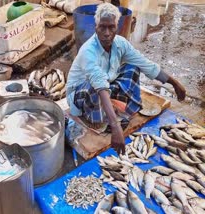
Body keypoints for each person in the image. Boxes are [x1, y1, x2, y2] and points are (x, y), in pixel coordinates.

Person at [66, 3, 186, 154]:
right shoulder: (88, 51)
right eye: (102, 27)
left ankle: (112, 109)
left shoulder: (120, 43)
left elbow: (145, 64)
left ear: (117, 26)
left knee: (132, 67)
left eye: (111, 27)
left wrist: (174, 83)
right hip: (81, 94)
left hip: (105, 84)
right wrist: (116, 127)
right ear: (96, 27)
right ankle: (98, 119)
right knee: (96, 87)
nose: (107, 33)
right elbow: (99, 85)